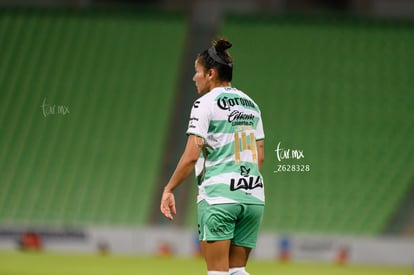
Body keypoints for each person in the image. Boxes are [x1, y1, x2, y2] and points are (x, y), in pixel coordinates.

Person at [160, 38, 265, 275]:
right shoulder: (251, 105)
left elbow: (190, 156)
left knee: (218, 272)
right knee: (238, 270)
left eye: (196, 72)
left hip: (219, 196)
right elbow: (259, 157)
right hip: (253, 196)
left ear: (210, 73)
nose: (193, 77)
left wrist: (169, 189)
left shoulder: (204, 104)